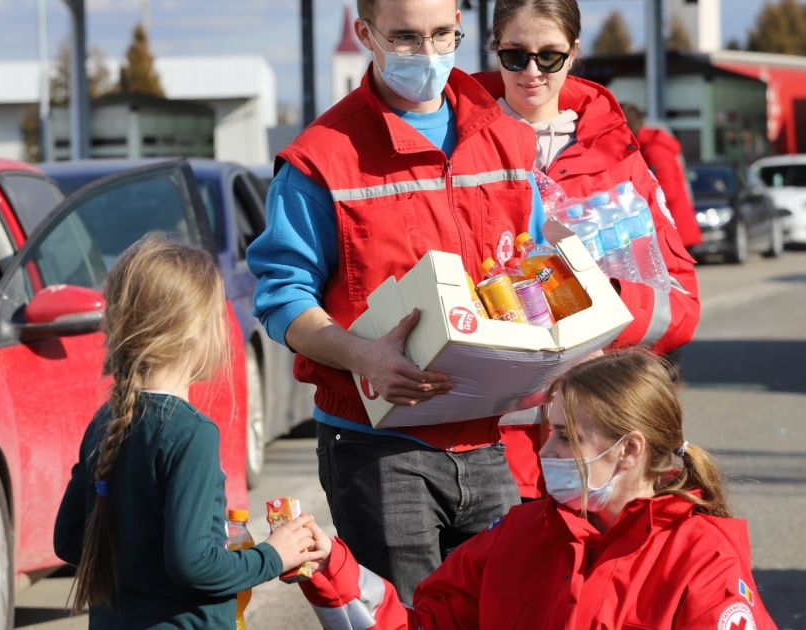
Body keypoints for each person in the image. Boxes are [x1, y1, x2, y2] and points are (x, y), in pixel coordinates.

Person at [246, 0, 552, 604]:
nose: (429, 54)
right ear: (366, 34)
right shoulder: (322, 157)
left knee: (501, 610)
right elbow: (281, 297)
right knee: (403, 616)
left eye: (443, 35)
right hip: (377, 447)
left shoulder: (507, 139)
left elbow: (530, 263)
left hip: (486, 439)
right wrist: (363, 356)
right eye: (407, 38)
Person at [295, 350, 779, 630]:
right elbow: (421, 624)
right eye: (550, 432)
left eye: (567, 437)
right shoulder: (518, 533)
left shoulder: (701, 557)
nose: (545, 450)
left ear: (629, 450)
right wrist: (333, 567)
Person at [471, 0, 702, 500]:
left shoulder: (616, 155)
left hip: (602, 445)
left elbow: (681, 304)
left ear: (574, 52)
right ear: (494, 49)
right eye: (515, 55)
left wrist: (601, 305)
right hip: (490, 446)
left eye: (550, 56)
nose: (532, 72)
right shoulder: (455, 145)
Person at [52, 235, 322, 628]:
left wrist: (142, 562)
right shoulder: (191, 433)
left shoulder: (104, 420)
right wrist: (274, 555)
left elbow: (69, 539)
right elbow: (194, 565)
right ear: (196, 334)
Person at [621, 101, 703, 248]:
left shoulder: (654, 148)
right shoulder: (648, 145)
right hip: (672, 227)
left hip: (674, 229)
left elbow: (666, 192)